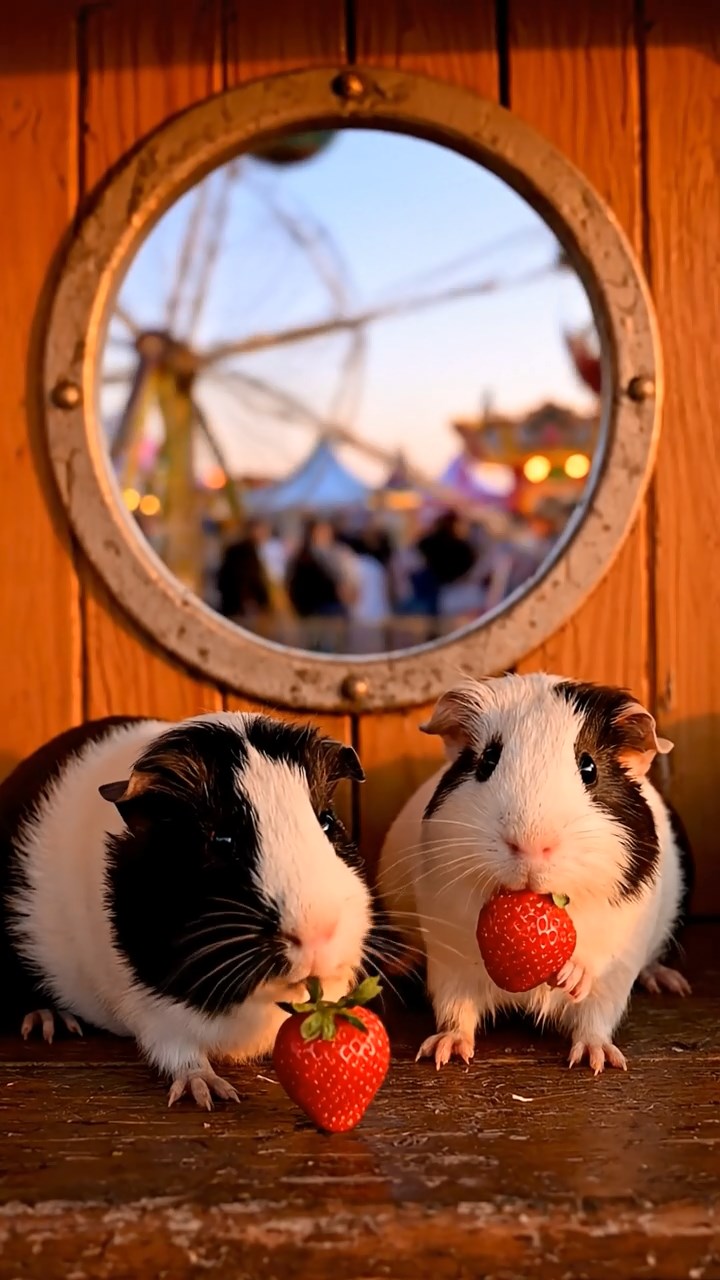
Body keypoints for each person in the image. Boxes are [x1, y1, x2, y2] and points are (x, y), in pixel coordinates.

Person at [216, 519, 271, 621]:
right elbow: (250, 578)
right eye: (262, 531)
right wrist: (262, 602)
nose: (264, 535)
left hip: (232, 604)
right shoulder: (246, 552)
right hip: (242, 606)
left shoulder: (237, 549)